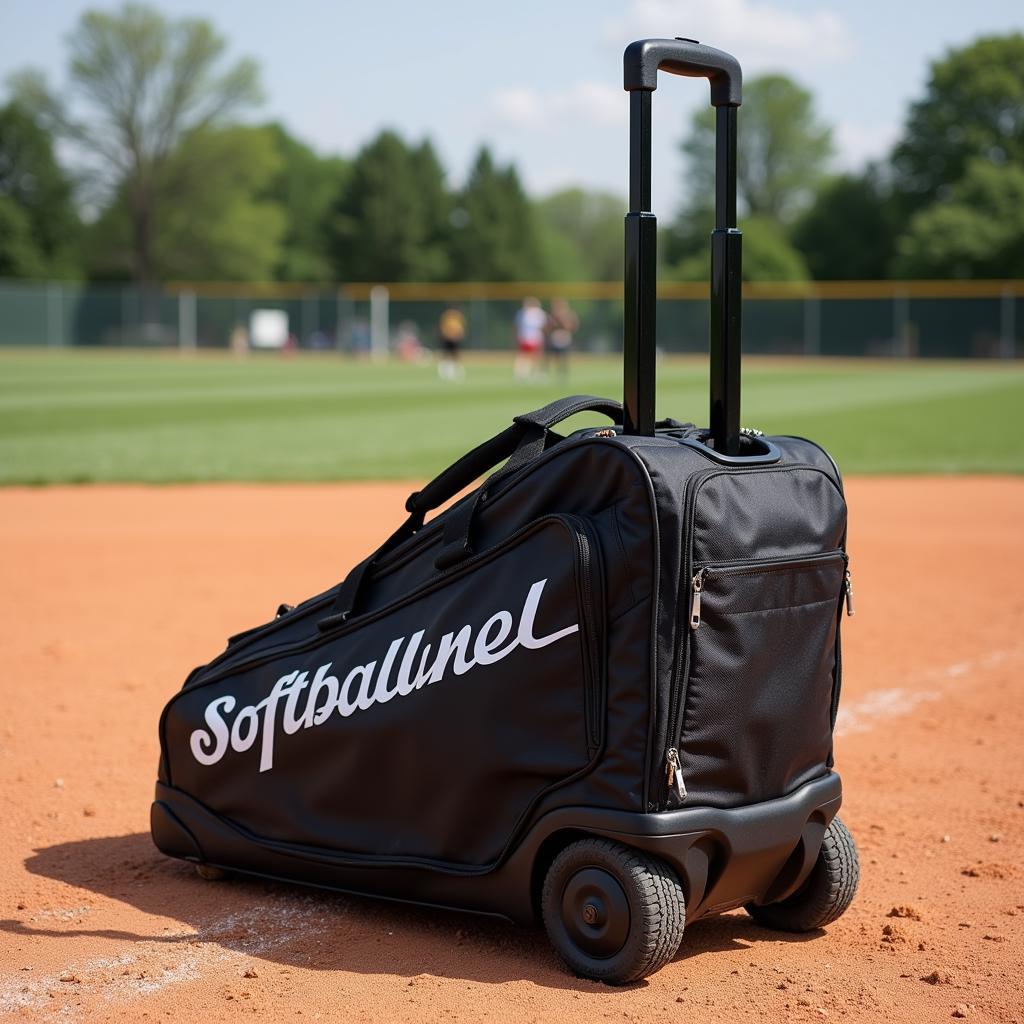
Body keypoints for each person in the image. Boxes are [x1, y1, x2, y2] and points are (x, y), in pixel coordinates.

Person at [545, 297, 579, 380]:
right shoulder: (552, 315)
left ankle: (562, 374)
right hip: (555, 336)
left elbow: (573, 326)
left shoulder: (569, 314)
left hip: (564, 336)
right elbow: (547, 327)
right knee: (550, 356)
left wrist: (563, 323)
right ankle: (546, 373)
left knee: (563, 356)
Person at [513, 297, 546, 380]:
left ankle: (535, 373)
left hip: (535, 337)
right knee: (523, 356)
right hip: (525, 337)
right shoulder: (521, 313)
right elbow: (517, 327)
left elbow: (543, 326)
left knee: (535, 357)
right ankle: (522, 374)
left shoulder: (538, 313)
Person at [437, 305, 466, 379]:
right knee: (446, 354)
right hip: (448, 338)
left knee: (455, 355)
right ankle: (445, 370)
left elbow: (460, 327)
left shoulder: (458, 316)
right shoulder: (447, 316)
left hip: (455, 338)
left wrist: (458, 335)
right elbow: (443, 327)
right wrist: (446, 336)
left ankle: (456, 370)